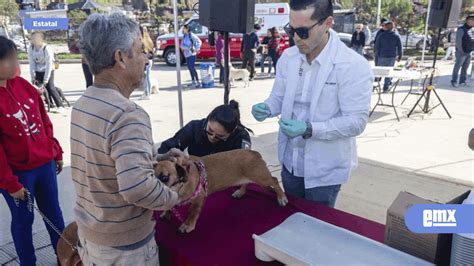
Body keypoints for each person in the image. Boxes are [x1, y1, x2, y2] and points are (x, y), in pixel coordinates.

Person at [73, 13, 186, 265]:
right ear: (120, 57)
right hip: (124, 248)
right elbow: (136, 187)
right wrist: (176, 197)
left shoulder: (85, 102)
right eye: (140, 50)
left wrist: (153, 157)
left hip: (93, 235)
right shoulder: (127, 114)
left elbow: (103, 160)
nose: (146, 59)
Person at [252, 0, 372, 208]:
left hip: (325, 169)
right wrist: (268, 107)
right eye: (291, 30)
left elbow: (356, 122)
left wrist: (310, 129)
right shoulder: (288, 58)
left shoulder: (352, 65)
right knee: (293, 217)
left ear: (327, 23)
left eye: (303, 31)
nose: (296, 38)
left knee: (318, 228)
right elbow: (279, 97)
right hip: (290, 162)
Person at [0, 36, 65, 266]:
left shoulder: (25, 85)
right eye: (9, 59)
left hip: (44, 165)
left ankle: (65, 258)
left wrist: (55, 150)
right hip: (18, 175)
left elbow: (43, 119)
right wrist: (10, 184)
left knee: (54, 214)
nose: (15, 63)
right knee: (23, 220)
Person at [159, 100, 252, 156]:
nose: (212, 137)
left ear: (231, 132)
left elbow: (246, 164)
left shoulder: (241, 137)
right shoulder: (194, 127)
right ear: (208, 120)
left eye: (219, 136)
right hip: (196, 175)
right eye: (210, 131)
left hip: (227, 177)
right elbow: (166, 148)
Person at [28, 32, 65, 112]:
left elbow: (49, 64)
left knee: (50, 87)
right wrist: (33, 75)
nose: (34, 40)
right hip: (38, 71)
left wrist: (46, 78)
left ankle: (60, 106)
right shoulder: (31, 48)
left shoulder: (46, 48)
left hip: (48, 69)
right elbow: (31, 63)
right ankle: (50, 105)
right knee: (40, 89)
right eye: (33, 38)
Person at [375, 20, 403, 92]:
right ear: (393, 27)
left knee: (378, 72)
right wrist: (400, 56)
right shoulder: (396, 36)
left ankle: (374, 86)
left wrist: (377, 54)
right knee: (389, 72)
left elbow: (377, 46)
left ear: (386, 27)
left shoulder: (381, 35)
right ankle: (386, 88)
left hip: (382, 56)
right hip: (391, 56)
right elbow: (400, 47)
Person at [451, 14, 474, 88]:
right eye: (472, 20)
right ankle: (454, 81)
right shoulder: (461, 29)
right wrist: (461, 51)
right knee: (457, 67)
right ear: (468, 21)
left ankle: (462, 81)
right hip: (462, 52)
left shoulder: (472, 29)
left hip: (469, 52)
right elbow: (458, 42)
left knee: (465, 68)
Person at [140, 26, 155, 100]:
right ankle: (148, 92)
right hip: (150, 60)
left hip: (145, 61)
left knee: (145, 78)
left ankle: (146, 93)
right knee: (148, 77)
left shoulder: (142, 42)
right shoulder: (149, 40)